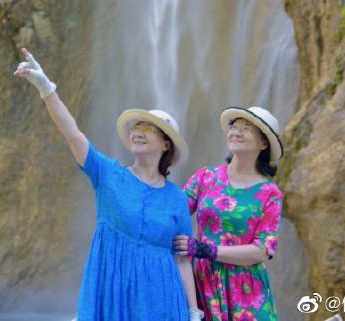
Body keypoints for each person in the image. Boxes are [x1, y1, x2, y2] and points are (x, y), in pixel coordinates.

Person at [14, 48, 204, 321]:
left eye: (148, 129)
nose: (138, 132)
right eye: (136, 127)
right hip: (114, 295)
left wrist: (193, 310)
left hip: (163, 301)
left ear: (166, 145)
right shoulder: (108, 174)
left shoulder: (176, 198)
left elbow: (182, 258)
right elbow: (73, 135)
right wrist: (47, 89)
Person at [173, 106, 284, 321]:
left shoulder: (270, 194)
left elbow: (262, 250)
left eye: (246, 128)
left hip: (245, 289)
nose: (236, 132)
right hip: (203, 283)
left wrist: (207, 250)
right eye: (234, 126)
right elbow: (173, 213)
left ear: (263, 143)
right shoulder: (206, 177)